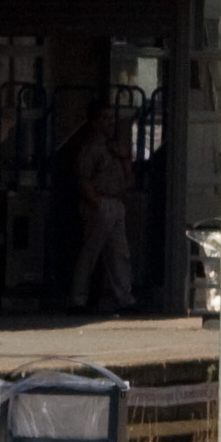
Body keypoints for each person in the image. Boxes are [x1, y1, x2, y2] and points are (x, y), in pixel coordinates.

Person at [65, 97, 138, 313]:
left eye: (111, 118)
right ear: (94, 122)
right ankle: (78, 298)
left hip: (116, 202)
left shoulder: (113, 148)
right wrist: (96, 202)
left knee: (119, 253)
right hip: (100, 202)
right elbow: (83, 179)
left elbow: (128, 178)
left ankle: (125, 296)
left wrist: (125, 159)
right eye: (104, 118)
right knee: (90, 252)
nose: (109, 123)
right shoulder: (91, 148)